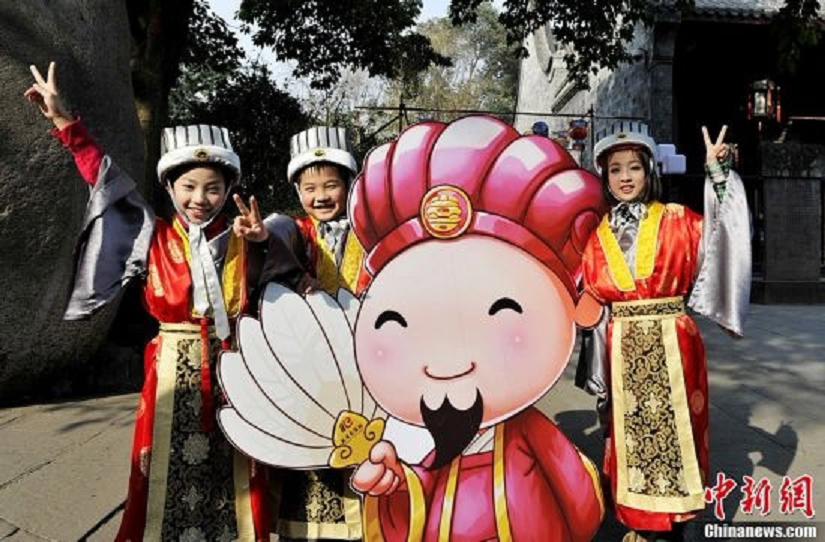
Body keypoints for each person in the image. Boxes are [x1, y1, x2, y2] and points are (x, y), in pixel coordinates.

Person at [24, 61, 305, 541]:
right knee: (158, 471)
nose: (201, 198)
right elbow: (106, 182)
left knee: (239, 469)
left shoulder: (244, 237)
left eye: (213, 187)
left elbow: (292, 283)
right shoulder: (150, 235)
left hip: (234, 368)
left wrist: (261, 242)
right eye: (189, 186)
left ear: (229, 190)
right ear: (171, 187)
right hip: (171, 369)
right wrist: (63, 122)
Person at [577, 121, 751, 541]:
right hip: (621, 347)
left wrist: (718, 175)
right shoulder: (598, 234)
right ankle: (638, 524)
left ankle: (672, 528)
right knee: (627, 438)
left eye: (633, 168)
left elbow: (718, 234)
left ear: (649, 171)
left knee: (677, 436)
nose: (624, 178)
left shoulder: (677, 220)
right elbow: (586, 291)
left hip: (674, 341)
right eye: (615, 170)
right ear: (605, 177)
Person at [271, 126, 368, 541]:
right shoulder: (295, 233)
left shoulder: (371, 234)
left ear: (350, 185)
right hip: (311, 375)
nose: (321, 196)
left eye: (331, 185)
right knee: (309, 469)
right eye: (310, 187)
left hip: (366, 371)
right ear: (297, 191)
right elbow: (273, 233)